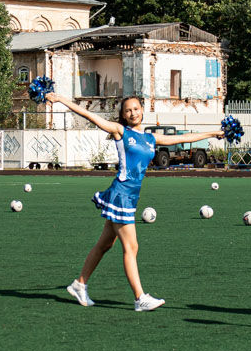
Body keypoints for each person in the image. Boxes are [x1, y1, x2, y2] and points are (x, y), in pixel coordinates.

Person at [48, 92, 224, 311]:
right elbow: (88, 115)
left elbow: (183, 138)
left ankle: (79, 284)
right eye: (128, 110)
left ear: (143, 110)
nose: (133, 113)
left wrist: (215, 133)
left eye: (136, 108)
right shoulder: (120, 132)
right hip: (121, 194)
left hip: (131, 196)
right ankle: (140, 298)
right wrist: (61, 100)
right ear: (123, 115)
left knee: (105, 244)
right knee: (131, 247)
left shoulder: (151, 138)